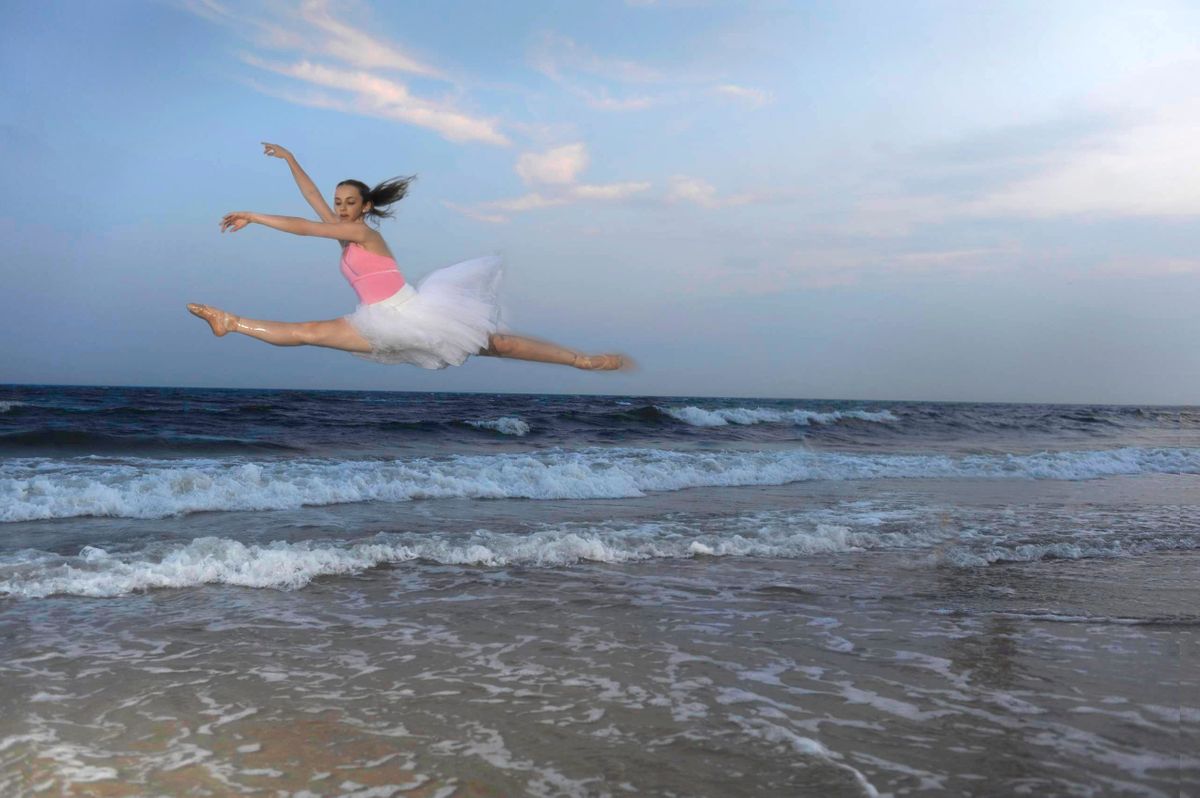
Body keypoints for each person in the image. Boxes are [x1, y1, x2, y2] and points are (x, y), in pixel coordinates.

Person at [188, 143, 628, 371]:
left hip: (411, 313)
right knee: (306, 331)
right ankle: (231, 323)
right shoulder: (345, 232)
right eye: (338, 202)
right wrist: (290, 158)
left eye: (348, 202)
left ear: (365, 208)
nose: (340, 207)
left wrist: (254, 215)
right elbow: (311, 200)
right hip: (373, 318)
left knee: (500, 345)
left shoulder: (360, 232)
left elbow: (306, 227)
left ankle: (580, 360)